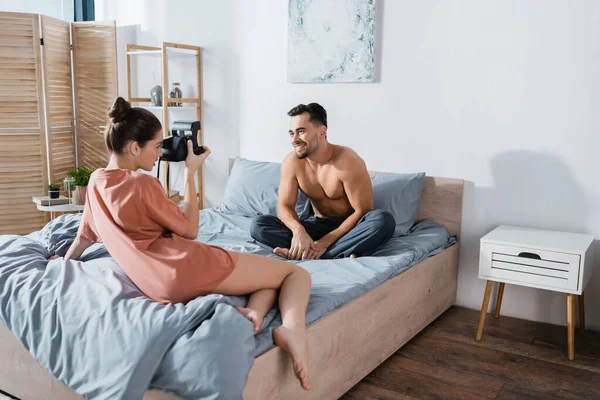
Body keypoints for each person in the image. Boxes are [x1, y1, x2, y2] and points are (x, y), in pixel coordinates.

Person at [63, 97, 312, 391]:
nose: (159, 154)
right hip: (182, 267)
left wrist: (62, 263)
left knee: (266, 278)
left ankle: (253, 315)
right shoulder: (142, 184)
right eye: (156, 146)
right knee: (295, 273)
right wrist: (191, 171)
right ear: (134, 148)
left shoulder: (95, 181)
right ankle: (292, 330)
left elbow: (84, 237)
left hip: (154, 284)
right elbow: (190, 230)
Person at [250, 103, 395, 260]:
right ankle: (333, 252)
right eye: (291, 133)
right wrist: (299, 232)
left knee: (383, 220)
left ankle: (308, 253)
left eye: (301, 131)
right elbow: (284, 206)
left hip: (350, 228)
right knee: (259, 225)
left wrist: (325, 242)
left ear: (322, 132)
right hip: (316, 226)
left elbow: (363, 210)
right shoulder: (292, 162)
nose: (295, 139)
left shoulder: (348, 161)